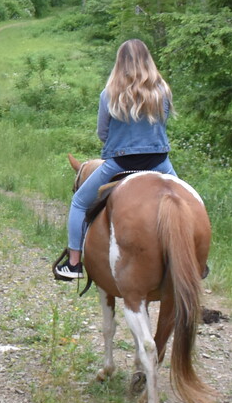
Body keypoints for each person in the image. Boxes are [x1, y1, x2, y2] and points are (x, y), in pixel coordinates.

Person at [53, 39, 178, 282]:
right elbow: (162, 124)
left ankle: (74, 263)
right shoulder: (163, 90)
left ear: (120, 63)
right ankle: (197, 260)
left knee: (79, 202)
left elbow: (103, 133)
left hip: (119, 164)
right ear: (148, 61)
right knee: (187, 203)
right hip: (159, 163)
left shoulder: (109, 94)